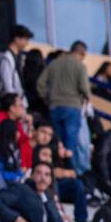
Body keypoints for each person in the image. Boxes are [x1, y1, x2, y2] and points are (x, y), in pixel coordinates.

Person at [37, 41, 92, 171]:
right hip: (72, 107)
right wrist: (88, 98)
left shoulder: (54, 64)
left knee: (58, 140)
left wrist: (47, 97)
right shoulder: (80, 66)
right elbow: (84, 87)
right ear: (82, 53)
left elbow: (40, 83)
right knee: (70, 143)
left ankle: (57, 167)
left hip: (54, 106)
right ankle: (71, 170)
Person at [0, 24, 32, 105]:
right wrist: (15, 102)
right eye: (26, 39)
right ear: (17, 39)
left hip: (15, 101)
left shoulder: (15, 57)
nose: (27, 43)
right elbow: (7, 84)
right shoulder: (6, 57)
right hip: (10, 103)